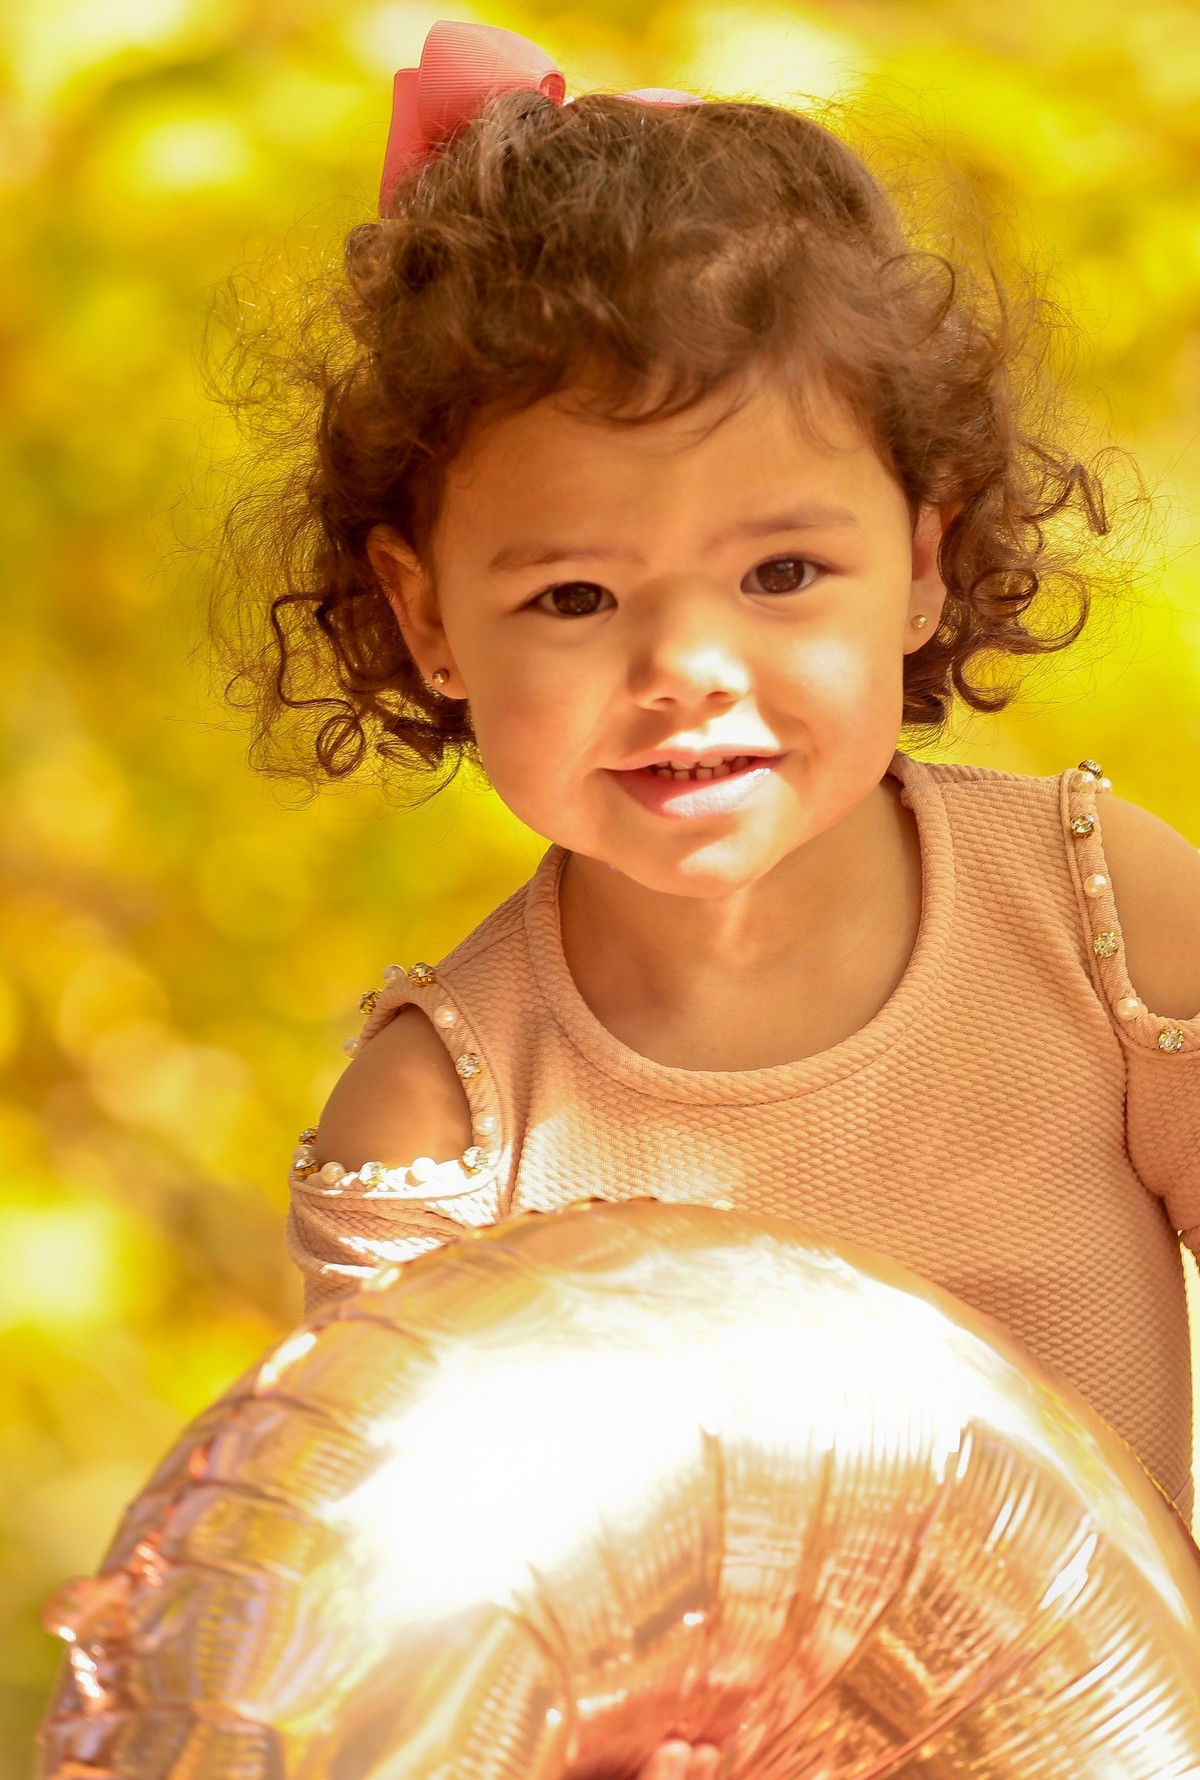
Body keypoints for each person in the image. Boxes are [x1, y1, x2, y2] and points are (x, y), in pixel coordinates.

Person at [223, 21, 1200, 1741]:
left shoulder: (1094, 908)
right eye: (575, 598)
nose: (687, 667)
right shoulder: (445, 1129)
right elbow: (397, 1651)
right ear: (427, 616)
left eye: (782, 572)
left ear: (922, 559)